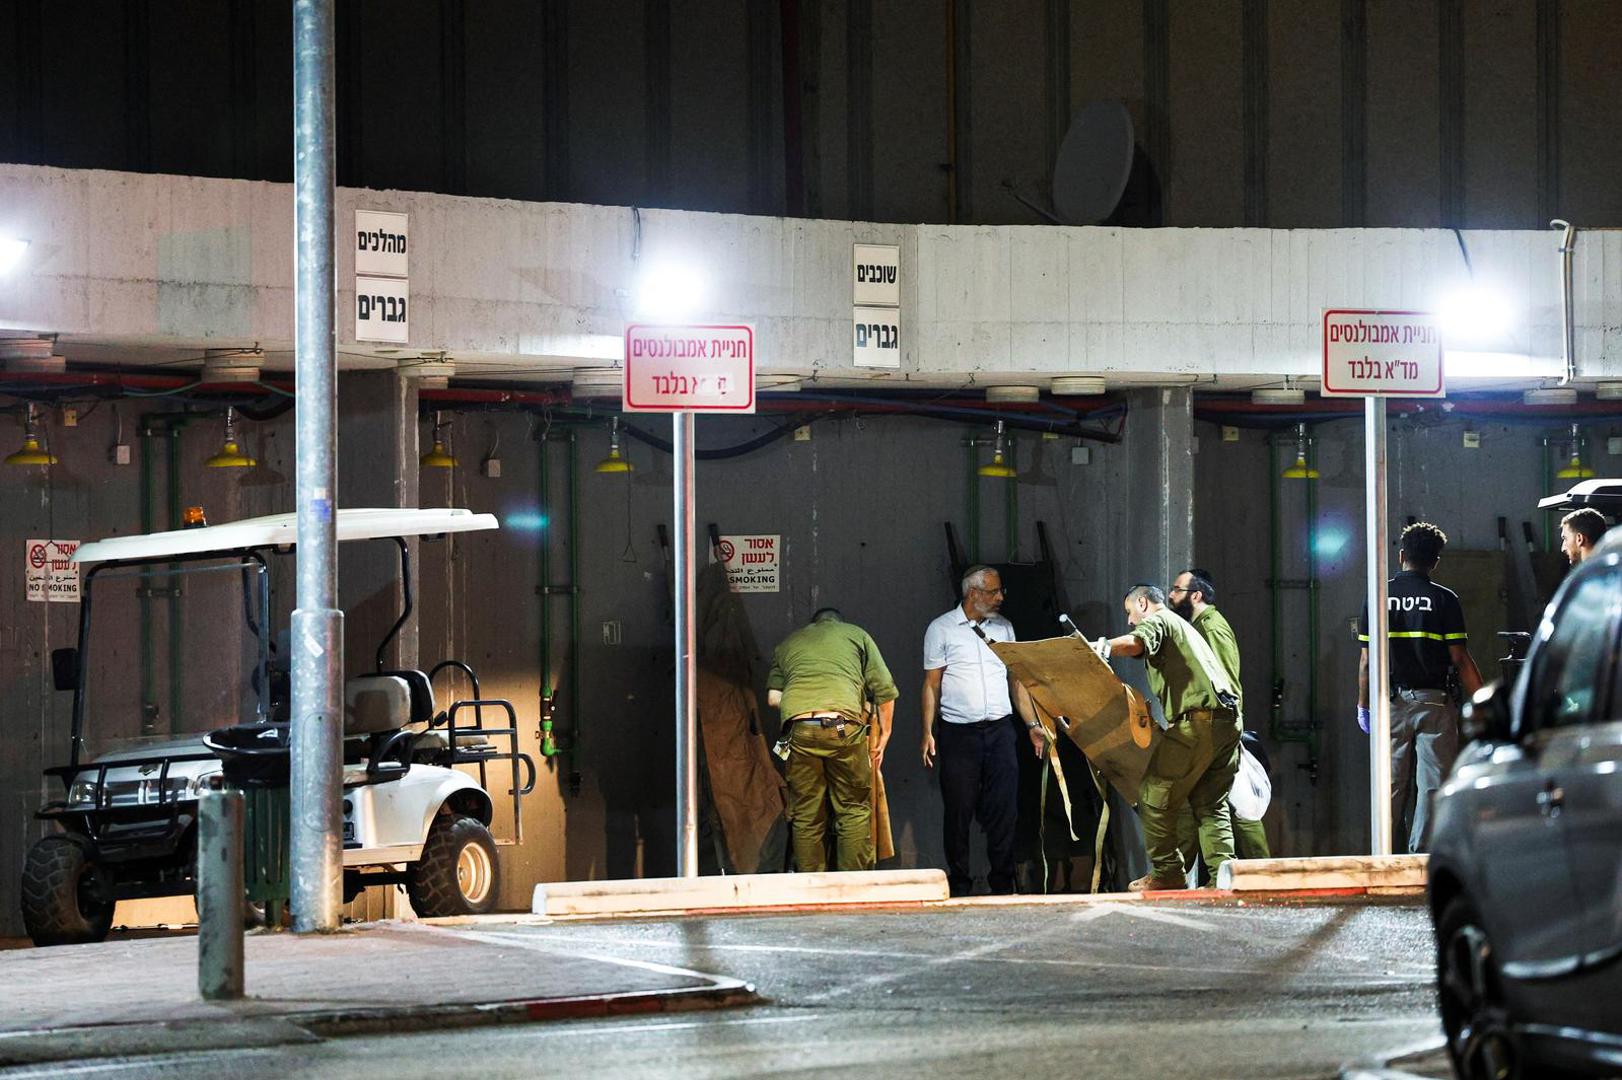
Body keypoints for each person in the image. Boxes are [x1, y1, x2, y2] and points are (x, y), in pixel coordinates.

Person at [1093, 584, 1241, 891]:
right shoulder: (1184, 628)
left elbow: (1137, 641)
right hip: (1226, 723)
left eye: (1130, 612)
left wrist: (1102, 647)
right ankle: (1223, 882)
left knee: (1152, 795)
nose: (1130, 620)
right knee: (1211, 806)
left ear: (1143, 603)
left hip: (1197, 723)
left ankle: (1168, 872)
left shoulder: (1160, 619)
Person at [1356, 521, 1483, 854]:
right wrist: (1485, 703)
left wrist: (1363, 706)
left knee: (1390, 785)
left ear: (1401, 556)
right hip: (1435, 704)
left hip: (1390, 702)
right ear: (1435, 562)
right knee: (1433, 786)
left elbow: (1367, 661)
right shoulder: (1444, 600)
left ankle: (1382, 856)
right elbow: (1460, 658)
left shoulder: (1377, 595)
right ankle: (1421, 860)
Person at [921, 566, 1044, 896]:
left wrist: (1032, 725)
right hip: (959, 734)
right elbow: (932, 684)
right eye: (994, 591)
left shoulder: (1004, 628)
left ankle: (1002, 883)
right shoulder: (942, 629)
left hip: (1001, 731)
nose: (1001, 597)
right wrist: (928, 731)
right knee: (958, 811)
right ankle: (959, 883)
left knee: (1004, 810)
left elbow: (1015, 680)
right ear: (973, 594)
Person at [767, 608, 898, 872]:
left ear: (813, 625)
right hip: (841, 727)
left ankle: (810, 885)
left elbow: (773, 698)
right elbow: (884, 689)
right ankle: (853, 887)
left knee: (805, 813)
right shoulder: (857, 635)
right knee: (852, 808)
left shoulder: (789, 642)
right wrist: (885, 734)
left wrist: (806, 706)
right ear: (839, 624)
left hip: (799, 729)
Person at [1169, 569, 1270, 862]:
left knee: (1237, 805)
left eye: (1177, 590)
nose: (1171, 596)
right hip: (1209, 730)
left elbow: (1227, 681)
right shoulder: (1199, 625)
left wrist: (1228, 730)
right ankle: (1178, 872)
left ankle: (1260, 873)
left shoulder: (1210, 628)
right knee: (1214, 805)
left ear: (1196, 596)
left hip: (1218, 729)